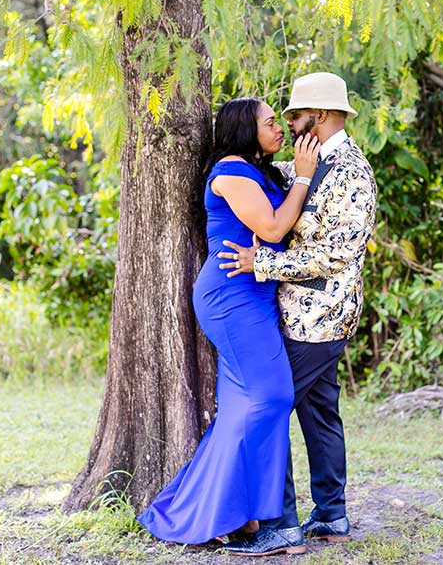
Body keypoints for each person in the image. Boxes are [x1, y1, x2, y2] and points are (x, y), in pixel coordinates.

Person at [137, 97, 320, 550]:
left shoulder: (256, 171)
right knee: (274, 396)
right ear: (245, 129)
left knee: (242, 408)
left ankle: (229, 514)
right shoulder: (232, 172)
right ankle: (251, 515)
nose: (279, 129)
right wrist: (302, 176)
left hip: (256, 297)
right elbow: (274, 229)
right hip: (230, 297)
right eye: (270, 123)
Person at [218, 72, 378, 556]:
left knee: (270, 409)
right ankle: (331, 515)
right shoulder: (315, 161)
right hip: (304, 312)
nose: (288, 122)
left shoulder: (351, 172)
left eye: (296, 114)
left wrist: (261, 262)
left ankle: (282, 525)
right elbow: (278, 183)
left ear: (323, 117)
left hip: (320, 317)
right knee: (319, 411)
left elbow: (335, 255)